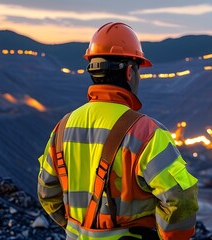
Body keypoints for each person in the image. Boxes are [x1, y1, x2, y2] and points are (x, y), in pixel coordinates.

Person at [37, 22, 199, 240]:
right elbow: (180, 198)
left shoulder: (63, 128)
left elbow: (47, 192)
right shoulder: (146, 132)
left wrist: (77, 226)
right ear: (130, 72)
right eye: (139, 69)